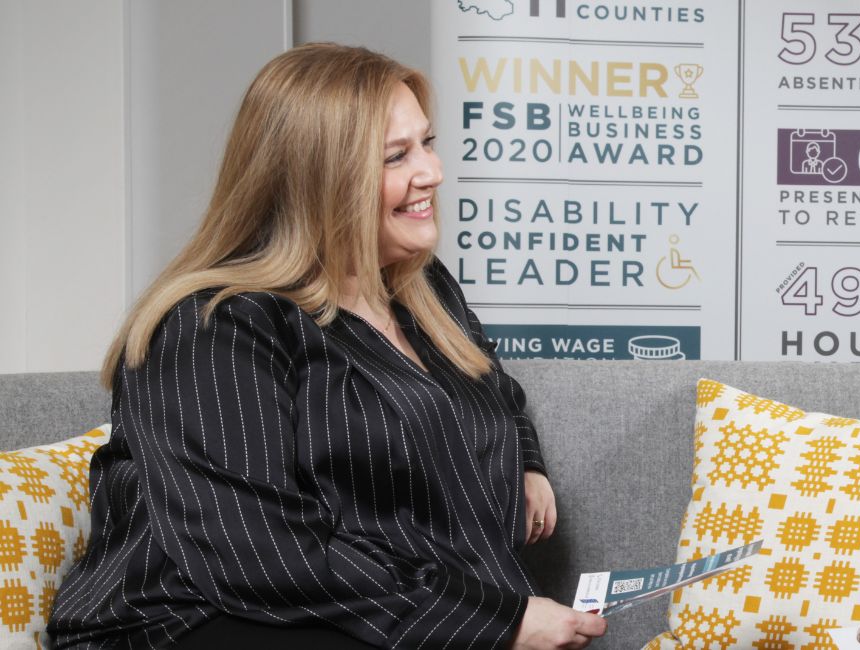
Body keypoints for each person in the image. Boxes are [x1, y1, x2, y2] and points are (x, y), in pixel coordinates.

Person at [47, 43, 606, 649]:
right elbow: (257, 552)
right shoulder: (215, 328)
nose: (433, 173)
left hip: (364, 610)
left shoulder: (422, 289)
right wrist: (496, 624)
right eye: (397, 156)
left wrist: (523, 461)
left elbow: (492, 387)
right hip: (201, 620)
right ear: (320, 179)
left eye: (428, 142)